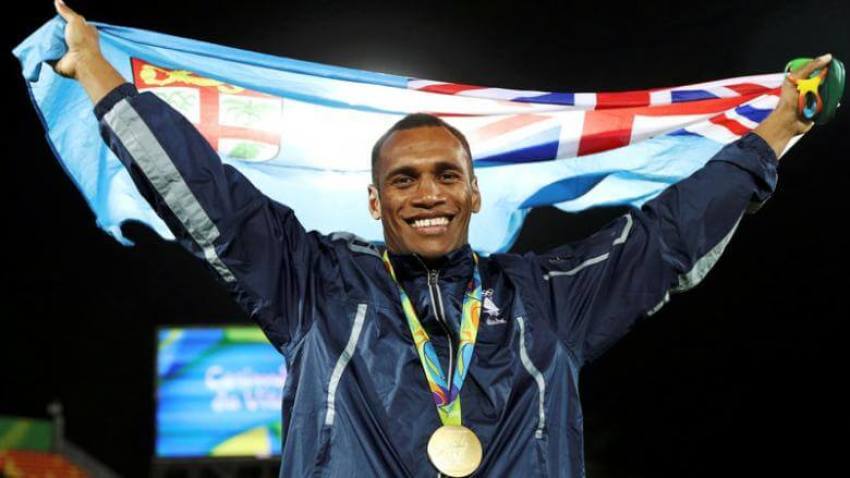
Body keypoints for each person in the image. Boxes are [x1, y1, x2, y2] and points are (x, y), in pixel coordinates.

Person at [52, 0, 831, 476]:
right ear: (376, 199)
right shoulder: (316, 284)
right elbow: (210, 196)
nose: (428, 193)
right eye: (404, 179)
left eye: (445, 175)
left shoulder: (545, 300)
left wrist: (775, 134)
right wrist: (98, 77)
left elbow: (666, 238)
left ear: (473, 191)